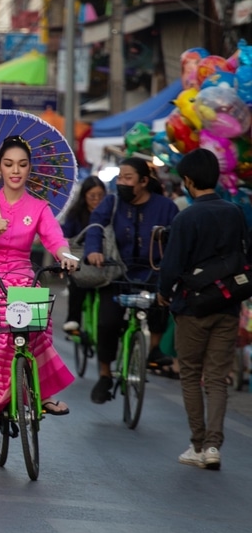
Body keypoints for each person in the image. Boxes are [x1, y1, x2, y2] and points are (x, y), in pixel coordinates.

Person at [0, 135, 78, 444]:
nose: (16, 171)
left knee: (38, 330)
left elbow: (54, 239)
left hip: (24, 279)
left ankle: (41, 391)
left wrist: (64, 256)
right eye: (9, 164)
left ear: (29, 168)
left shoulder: (38, 207)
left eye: (22, 165)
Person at [156, 149, 247, 470]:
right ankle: (213, 447)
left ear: (189, 181)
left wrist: (163, 294)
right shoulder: (235, 213)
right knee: (218, 378)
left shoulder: (186, 218)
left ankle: (197, 444)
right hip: (228, 304)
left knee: (192, 374)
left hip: (192, 308)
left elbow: (171, 266)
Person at [84, 156, 178, 403]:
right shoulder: (112, 202)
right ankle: (105, 374)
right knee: (107, 323)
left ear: (144, 181)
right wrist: (93, 250)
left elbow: (176, 239)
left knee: (162, 302)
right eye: (120, 178)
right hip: (117, 272)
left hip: (152, 273)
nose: (122, 182)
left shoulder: (166, 207)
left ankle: (154, 348)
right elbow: (95, 224)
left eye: (128, 178)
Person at [60, 175, 106, 332]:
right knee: (77, 284)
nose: (97, 200)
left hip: (103, 260)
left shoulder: (109, 214)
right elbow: (64, 234)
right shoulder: (75, 213)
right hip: (80, 259)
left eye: (101, 196)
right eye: (92, 196)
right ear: (84, 196)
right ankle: (73, 319)